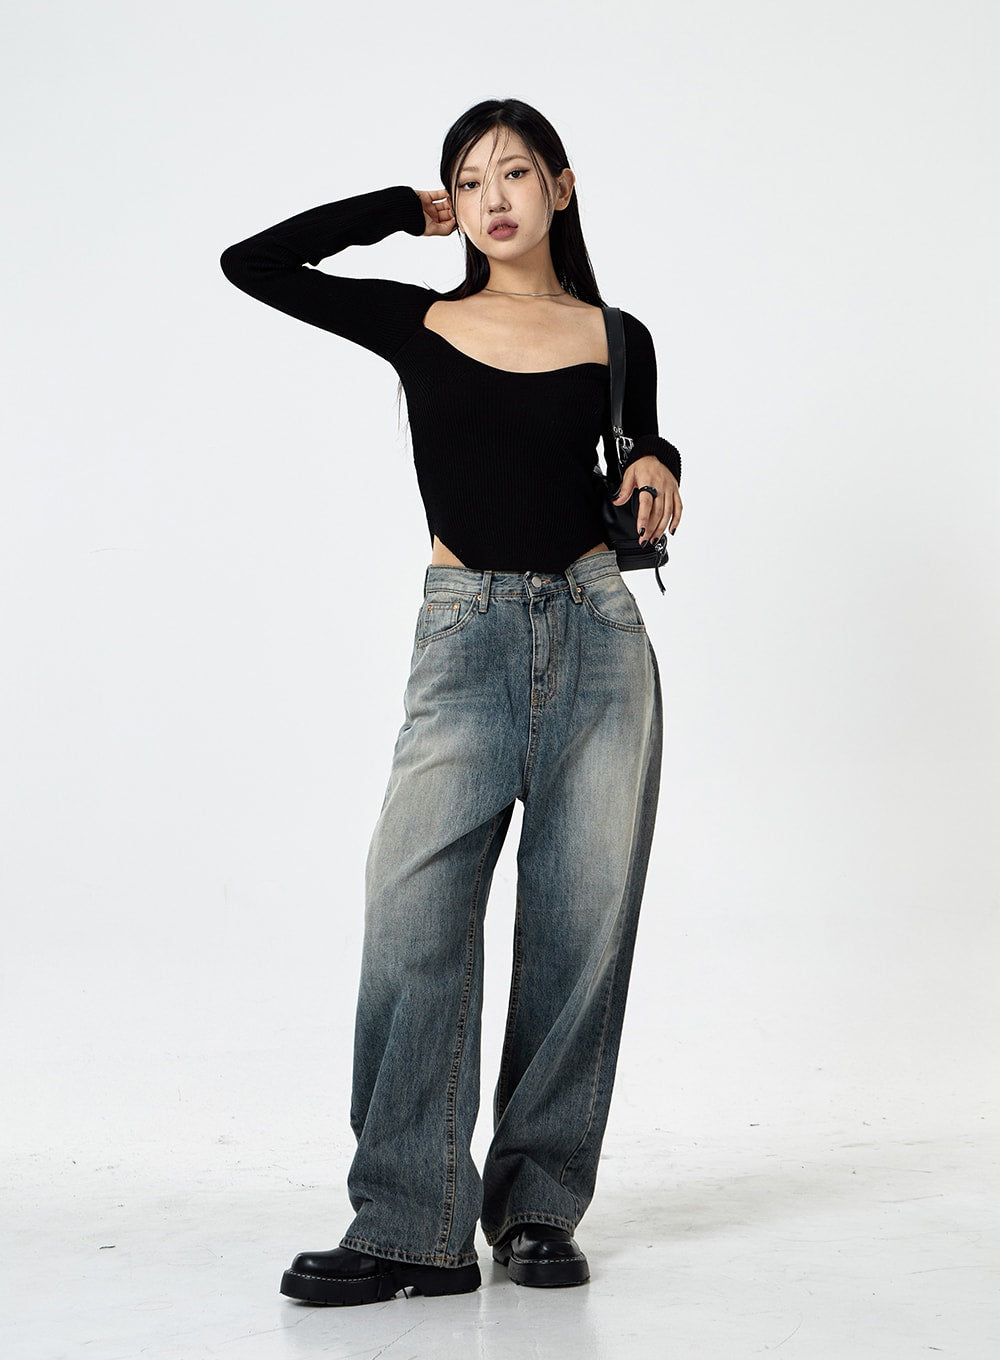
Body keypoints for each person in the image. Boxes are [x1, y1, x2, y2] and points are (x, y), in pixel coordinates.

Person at [219, 97, 684, 1307]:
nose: (491, 197)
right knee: (413, 909)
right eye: (468, 179)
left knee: (578, 929)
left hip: (596, 635)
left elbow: (635, 446)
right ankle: (411, 1221)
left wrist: (659, 461)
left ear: (560, 187)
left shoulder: (615, 334)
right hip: (464, 634)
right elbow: (252, 263)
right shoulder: (415, 318)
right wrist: (394, 211)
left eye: (513, 172)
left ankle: (536, 1208)